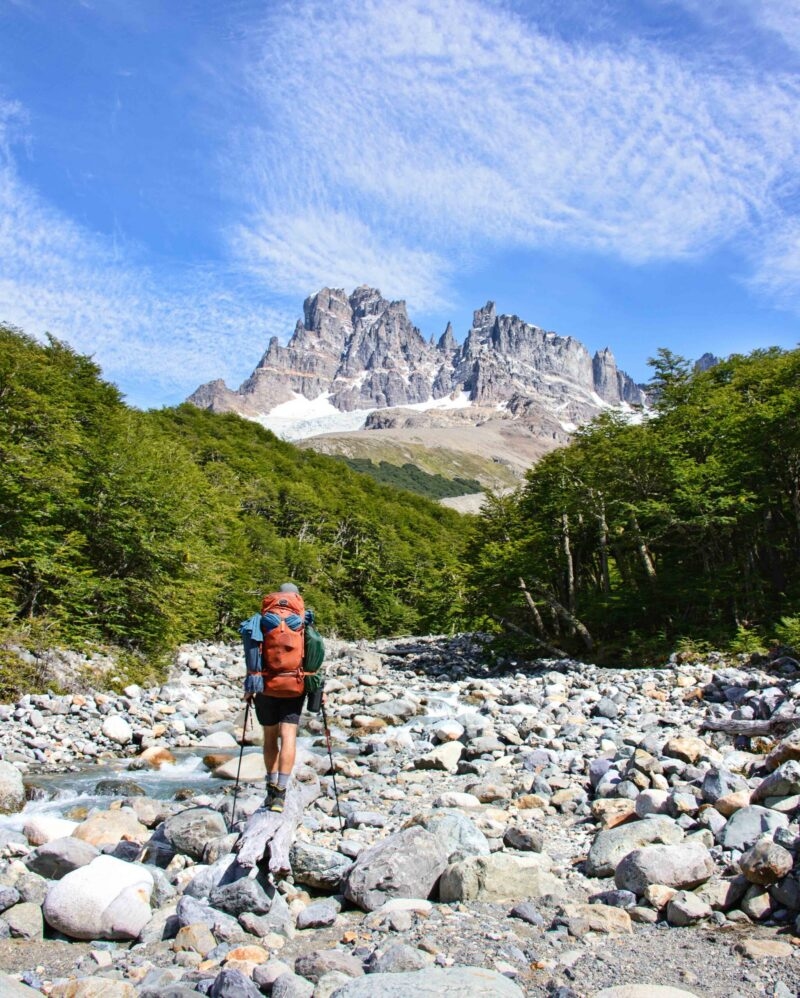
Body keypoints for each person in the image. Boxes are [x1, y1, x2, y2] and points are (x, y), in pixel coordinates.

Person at [245, 582, 306, 813]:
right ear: (296, 597)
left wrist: (250, 685)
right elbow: (313, 657)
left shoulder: (262, 619)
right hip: (294, 685)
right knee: (288, 735)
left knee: (270, 736)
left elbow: (253, 652)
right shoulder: (302, 621)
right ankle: (281, 792)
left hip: (266, 684)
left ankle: (270, 788)